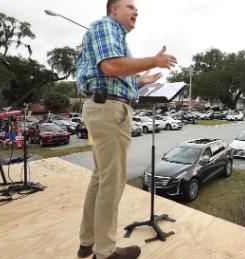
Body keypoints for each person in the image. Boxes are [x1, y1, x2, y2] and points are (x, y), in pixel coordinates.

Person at [75, 0, 177, 258]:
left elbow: (116, 74)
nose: (136, 11)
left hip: (106, 105)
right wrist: (153, 60)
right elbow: (111, 67)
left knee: (101, 178)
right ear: (114, 10)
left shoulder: (115, 36)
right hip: (109, 109)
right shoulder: (105, 26)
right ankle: (106, 251)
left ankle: (88, 242)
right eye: (130, 6)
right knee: (113, 181)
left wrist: (143, 80)